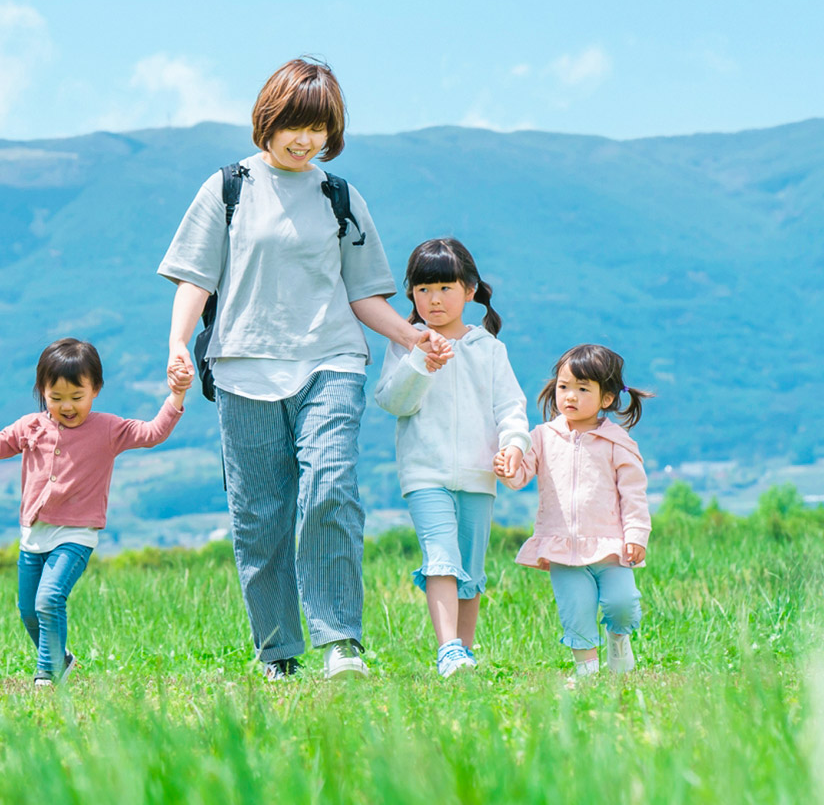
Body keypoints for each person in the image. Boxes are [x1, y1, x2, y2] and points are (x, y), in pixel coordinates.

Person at [156, 57, 454, 681]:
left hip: (330, 360)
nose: (306, 139)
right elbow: (195, 275)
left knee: (330, 489)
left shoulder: (338, 195)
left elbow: (363, 293)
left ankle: (340, 640)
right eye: (295, 124)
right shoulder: (228, 187)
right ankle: (277, 651)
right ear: (269, 118)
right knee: (260, 515)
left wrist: (411, 336)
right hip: (242, 366)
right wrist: (180, 343)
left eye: (319, 129)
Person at [0, 338, 192, 685]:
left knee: (49, 598)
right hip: (34, 534)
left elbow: (153, 432)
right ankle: (61, 659)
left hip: (76, 534)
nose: (67, 406)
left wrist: (176, 395)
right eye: (56, 398)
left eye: (77, 397)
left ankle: (47, 674)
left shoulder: (108, 429)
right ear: (42, 391)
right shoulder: (30, 426)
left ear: (96, 390)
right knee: (29, 611)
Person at [373, 237, 531, 677]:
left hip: (481, 474)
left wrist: (514, 446)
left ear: (470, 290)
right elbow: (392, 401)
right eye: (423, 290)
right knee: (441, 557)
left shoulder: (490, 349)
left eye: (444, 287)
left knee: (469, 567)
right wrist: (420, 363)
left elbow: (510, 408)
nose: (434, 299)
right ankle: (448, 650)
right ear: (411, 295)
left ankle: (464, 651)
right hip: (426, 472)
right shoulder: (407, 344)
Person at [494, 344, 653, 678]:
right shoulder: (542, 436)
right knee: (576, 611)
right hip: (561, 547)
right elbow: (522, 475)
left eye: (583, 389)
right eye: (564, 387)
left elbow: (634, 494)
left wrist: (636, 535)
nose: (570, 396)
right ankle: (587, 673)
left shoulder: (617, 442)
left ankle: (618, 641)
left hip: (610, 547)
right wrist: (508, 470)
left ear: (606, 399)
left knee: (621, 604)